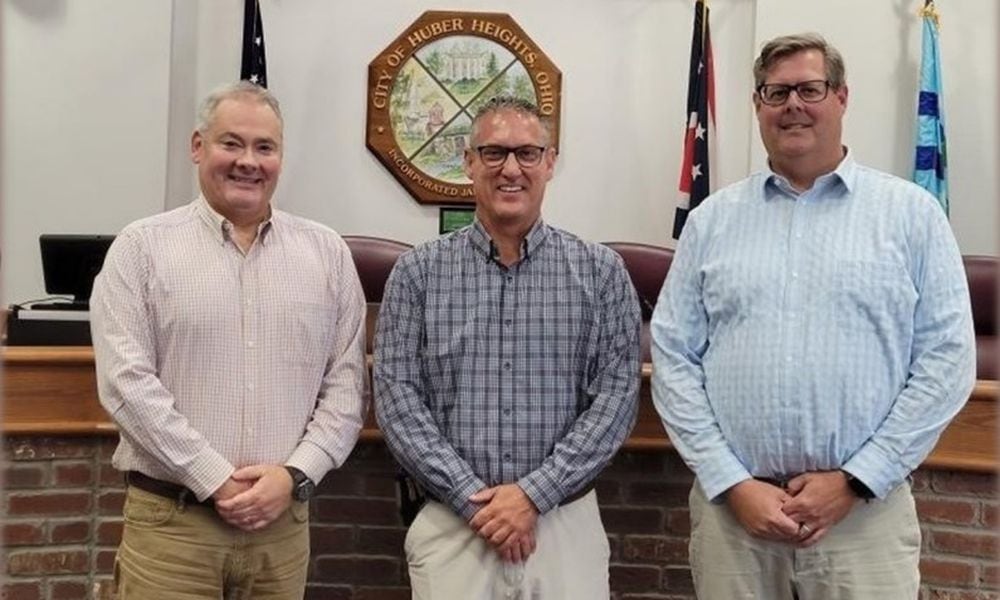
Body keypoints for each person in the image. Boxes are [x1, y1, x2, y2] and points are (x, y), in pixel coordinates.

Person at [651, 32, 976, 599]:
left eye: (809, 88)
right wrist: (731, 481)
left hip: (864, 522)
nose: (793, 105)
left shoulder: (911, 216)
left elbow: (947, 361)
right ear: (757, 105)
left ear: (842, 98)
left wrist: (855, 481)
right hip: (736, 520)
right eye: (776, 93)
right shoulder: (712, 222)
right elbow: (675, 358)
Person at [90, 81, 367, 598]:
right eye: (231, 143)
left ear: (281, 156)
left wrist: (293, 476)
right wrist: (214, 477)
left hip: (281, 532)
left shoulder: (326, 253)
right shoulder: (141, 248)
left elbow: (346, 390)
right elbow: (126, 385)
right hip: (172, 528)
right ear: (198, 146)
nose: (249, 161)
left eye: (265, 147)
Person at [373, 96, 641, 599]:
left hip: (565, 525)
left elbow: (616, 400)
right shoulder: (417, 274)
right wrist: (474, 501)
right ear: (469, 162)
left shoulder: (601, 273)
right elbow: (397, 399)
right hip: (454, 525)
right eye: (493, 153)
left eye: (527, 153)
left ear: (550, 162)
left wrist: (534, 496)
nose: (510, 168)